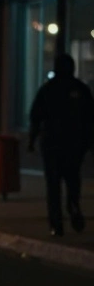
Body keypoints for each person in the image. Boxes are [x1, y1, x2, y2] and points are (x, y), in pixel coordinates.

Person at [28, 53, 94, 236]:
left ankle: (56, 224)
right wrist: (89, 143)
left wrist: (32, 141)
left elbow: (35, 117)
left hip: (52, 143)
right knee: (73, 179)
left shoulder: (48, 90)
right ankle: (73, 205)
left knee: (53, 185)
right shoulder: (80, 89)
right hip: (74, 143)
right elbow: (90, 118)